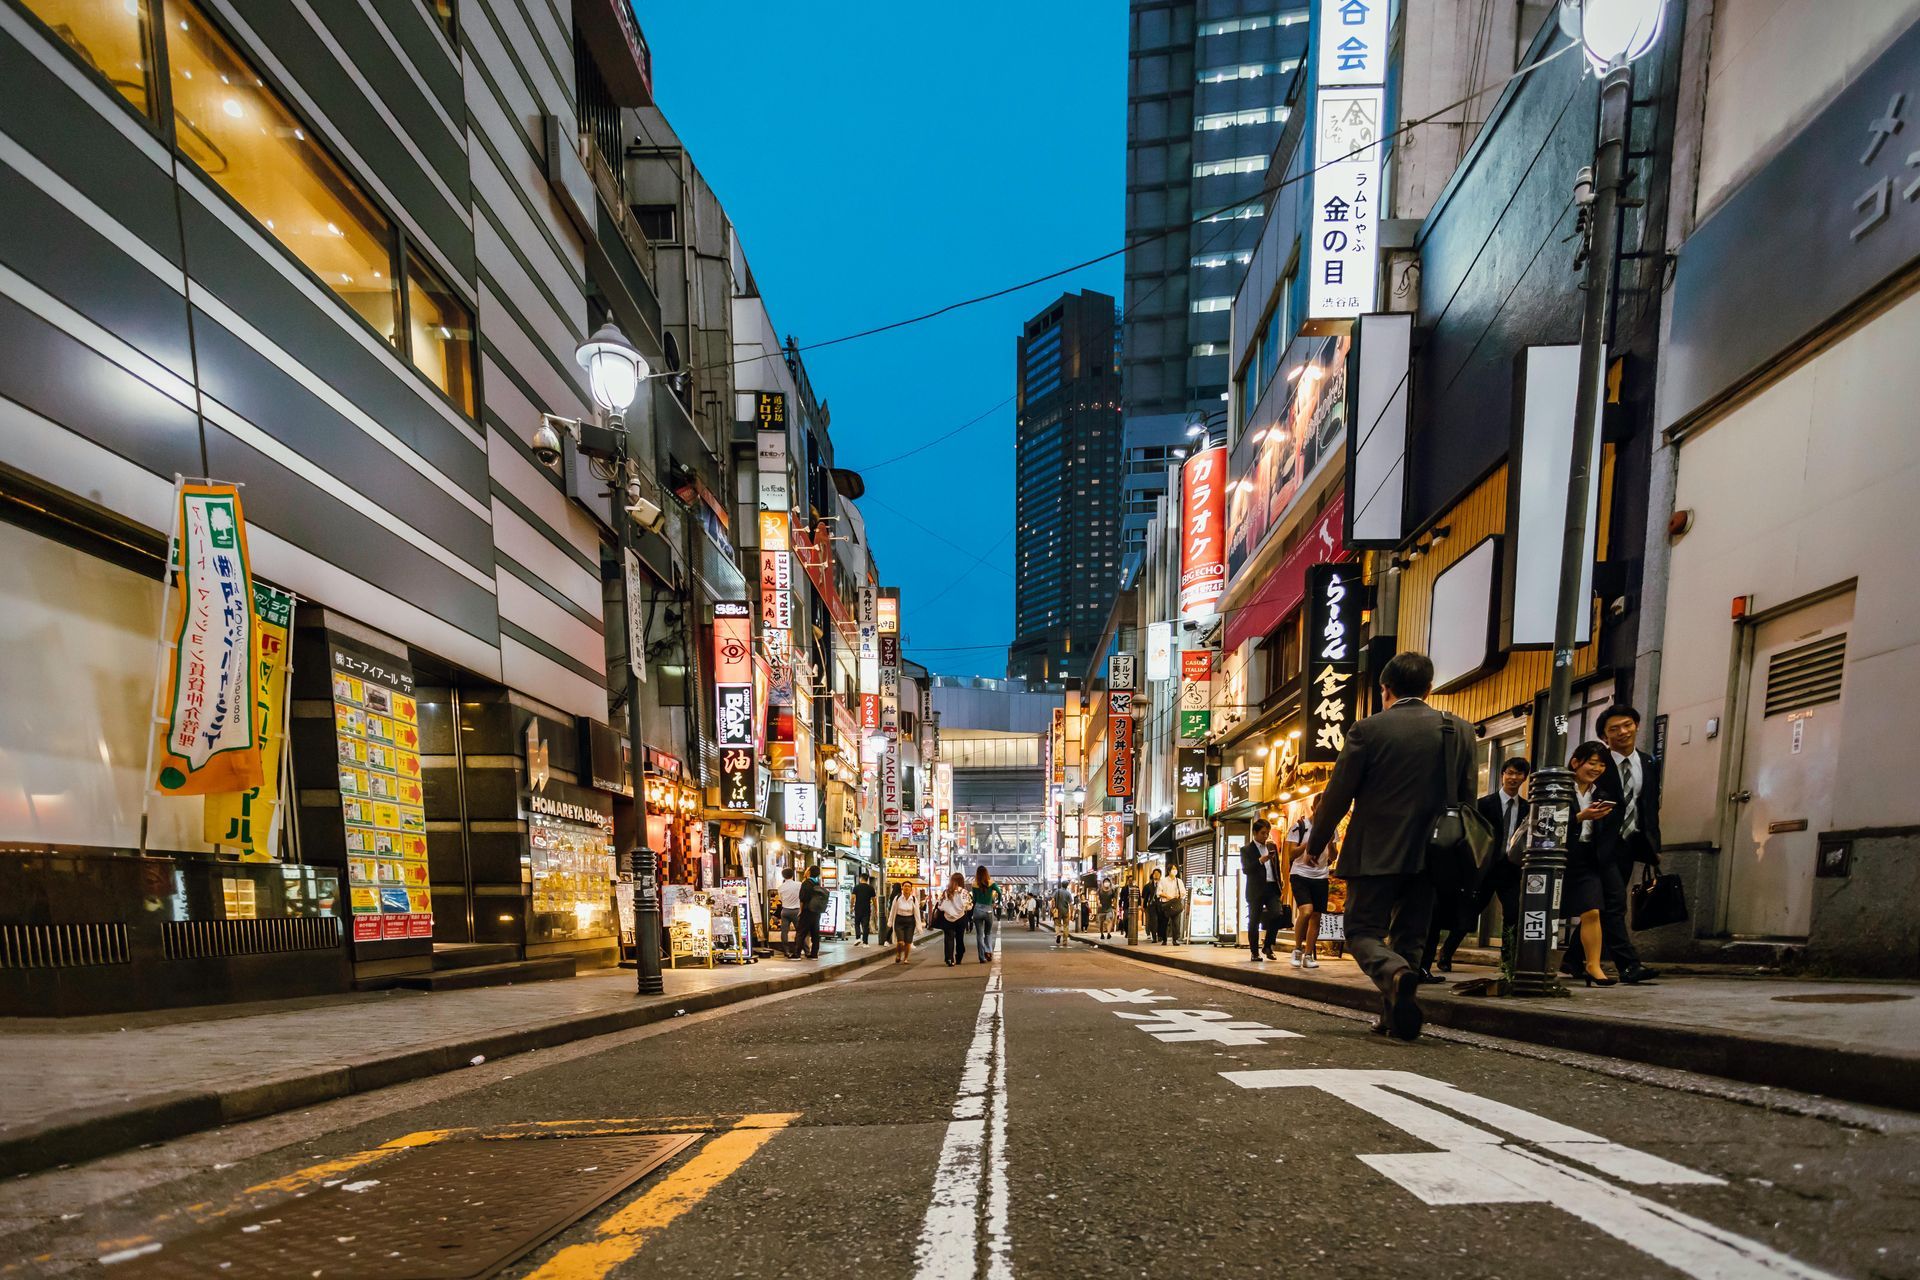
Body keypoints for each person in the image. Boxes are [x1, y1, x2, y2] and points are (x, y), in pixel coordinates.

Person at [1306, 651, 1474, 1042]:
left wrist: (1317, 841)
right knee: (1411, 936)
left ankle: (1393, 973)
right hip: (1434, 852)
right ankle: (1394, 1017)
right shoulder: (1459, 730)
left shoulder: (1368, 730)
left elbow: (1338, 794)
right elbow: (1468, 800)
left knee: (1362, 930)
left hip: (1375, 850)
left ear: (1385, 689)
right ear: (1429, 688)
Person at [1437, 757, 1530, 972]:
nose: (1513, 777)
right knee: (1469, 912)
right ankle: (1446, 952)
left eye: (1518, 774)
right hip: (1485, 867)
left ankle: (1508, 962)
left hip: (1510, 868)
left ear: (1524, 778)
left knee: (1513, 914)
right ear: (1502, 775)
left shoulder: (1526, 807)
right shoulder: (1484, 804)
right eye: (1510, 773)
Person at [1563, 742, 1624, 987]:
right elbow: (1546, 823)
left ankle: (1593, 966)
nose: (1597, 768)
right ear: (1576, 762)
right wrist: (1580, 816)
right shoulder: (1559, 789)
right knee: (1547, 912)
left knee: (1592, 911)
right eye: (1592, 762)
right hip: (1560, 857)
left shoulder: (1601, 794)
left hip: (1588, 858)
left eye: (1601, 764)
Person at [1289, 818, 1331, 969]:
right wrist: (1311, 843)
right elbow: (1291, 854)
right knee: (1306, 911)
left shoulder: (1331, 826)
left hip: (1321, 876)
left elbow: (1333, 855)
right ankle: (1297, 949)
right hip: (1300, 874)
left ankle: (1308, 955)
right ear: (1314, 808)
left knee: (1316, 916)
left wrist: (1330, 842)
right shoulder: (1299, 827)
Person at [1240, 818, 1283, 960]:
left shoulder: (1272, 847)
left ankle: (1268, 946)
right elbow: (1246, 869)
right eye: (1263, 833)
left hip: (1271, 887)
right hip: (1256, 889)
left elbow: (1276, 867)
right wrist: (1260, 861)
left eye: (1267, 833)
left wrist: (1280, 884)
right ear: (1255, 833)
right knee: (1254, 921)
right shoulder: (1246, 849)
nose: (1265, 836)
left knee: (1277, 914)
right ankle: (1254, 952)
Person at [933, 874, 970, 965]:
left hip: (947, 918)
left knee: (948, 938)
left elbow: (940, 906)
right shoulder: (964, 892)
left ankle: (949, 958)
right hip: (960, 917)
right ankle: (959, 957)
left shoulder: (946, 892)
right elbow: (968, 906)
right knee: (959, 938)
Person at [970, 866, 1001, 962]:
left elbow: (974, 899)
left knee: (979, 934)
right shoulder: (991, 883)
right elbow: (999, 892)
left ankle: (981, 957)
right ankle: (988, 951)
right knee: (988, 933)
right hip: (988, 910)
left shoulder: (974, 884)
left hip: (978, 910)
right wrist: (997, 903)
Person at [796, 866, 828, 959]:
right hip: (816, 911)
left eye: (807, 869)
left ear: (809, 872)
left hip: (807, 910)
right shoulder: (817, 883)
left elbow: (802, 898)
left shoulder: (806, 883)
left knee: (801, 932)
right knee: (815, 933)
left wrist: (800, 910)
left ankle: (797, 954)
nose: (805, 871)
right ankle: (814, 954)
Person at [894, 879, 925, 964]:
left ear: (911, 889)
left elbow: (917, 913)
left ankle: (905, 958)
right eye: (905, 886)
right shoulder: (897, 898)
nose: (907, 888)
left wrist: (919, 926)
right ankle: (898, 954)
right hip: (899, 921)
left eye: (908, 886)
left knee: (908, 941)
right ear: (902, 888)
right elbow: (893, 911)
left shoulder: (914, 899)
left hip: (910, 921)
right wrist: (890, 922)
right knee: (900, 942)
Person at [775, 868, 804, 959]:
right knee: (799, 932)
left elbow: (781, 899)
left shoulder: (780, 887)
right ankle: (797, 949)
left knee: (784, 932)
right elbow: (802, 896)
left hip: (785, 911)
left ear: (783, 876)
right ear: (793, 875)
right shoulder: (799, 885)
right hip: (796, 910)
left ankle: (786, 951)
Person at [1156, 865, 1186, 945]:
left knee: (1176, 922)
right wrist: (1167, 896)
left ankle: (1175, 940)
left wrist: (1179, 895)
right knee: (1164, 922)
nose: (1175, 870)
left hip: (1175, 903)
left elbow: (1183, 892)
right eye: (1173, 869)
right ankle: (1164, 939)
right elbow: (1158, 893)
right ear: (1169, 871)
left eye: (1175, 869)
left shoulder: (1179, 881)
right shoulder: (1163, 881)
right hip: (1166, 903)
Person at [852, 874, 876, 946]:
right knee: (865, 926)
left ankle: (858, 938)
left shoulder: (856, 887)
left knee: (857, 923)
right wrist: (876, 908)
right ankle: (865, 942)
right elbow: (874, 899)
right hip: (867, 909)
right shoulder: (871, 888)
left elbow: (852, 898)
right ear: (867, 879)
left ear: (861, 878)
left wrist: (851, 907)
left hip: (858, 908)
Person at [1050, 879, 1074, 947]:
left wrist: (1052, 908)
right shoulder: (1068, 893)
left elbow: (1052, 899)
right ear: (1067, 886)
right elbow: (1071, 904)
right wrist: (1072, 914)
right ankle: (1065, 941)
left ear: (1061, 885)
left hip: (1057, 911)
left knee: (1057, 924)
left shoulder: (1057, 891)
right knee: (1066, 926)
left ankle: (1058, 934)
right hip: (1065, 911)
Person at [1143, 868, 1164, 943]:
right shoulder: (1148, 885)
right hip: (1152, 906)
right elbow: (1145, 897)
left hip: (1161, 904)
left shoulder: (1163, 883)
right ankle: (1154, 937)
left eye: (1158, 874)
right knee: (1153, 921)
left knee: (1160, 920)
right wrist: (1144, 906)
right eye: (1155, 873)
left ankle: (1160, 936)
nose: (1156, 875)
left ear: (1160, 875)